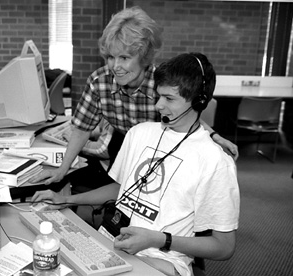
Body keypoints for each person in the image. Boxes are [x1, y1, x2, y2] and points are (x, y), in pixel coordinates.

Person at [31, 52, 240, 276]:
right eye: (158, 96)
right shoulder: (139, 133)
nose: (158, 105)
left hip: (160, 260)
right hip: (112, 245)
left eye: (169, 99)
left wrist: (159, 240)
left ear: (198, 101)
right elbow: (121, 190)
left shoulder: (215, 161)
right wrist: (66, 199)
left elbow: (224, 246)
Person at [31, 6, 238, 188]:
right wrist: (62, 169)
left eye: (125, 58)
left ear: (144, 57)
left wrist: (214, 136)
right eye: (111, 57)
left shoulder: (159, 84)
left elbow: (186, 114)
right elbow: (81, 130)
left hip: (158, 151)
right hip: (123, 144)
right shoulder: (99, 82)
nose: (115, 66)